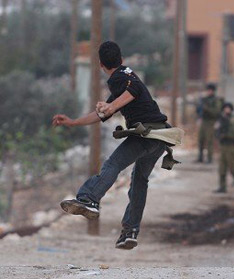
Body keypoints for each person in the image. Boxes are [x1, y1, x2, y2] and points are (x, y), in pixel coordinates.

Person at [53, 41, 170, 250]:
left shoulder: (120, 78)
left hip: (146, 135)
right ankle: (130, 232)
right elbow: (101, 115)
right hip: (161, 136)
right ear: (121, 58)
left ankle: (89, 199)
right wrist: (73, 121)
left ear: (100, 65)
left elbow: (133, 90)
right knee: (139, 181)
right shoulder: (126, 76)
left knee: (113, 164)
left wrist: (111, 106)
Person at [196, 83, 223, 164]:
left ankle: (209, 158)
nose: (209, 92)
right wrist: (199, 109)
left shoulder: (216, 100)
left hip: (211, 122)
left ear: (213, 91)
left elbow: (216, 112)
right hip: (203, 121)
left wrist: (206, 108)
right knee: (200, 139)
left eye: (210, 90)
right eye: (208, 90)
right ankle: (200, 157)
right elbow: (199, 110)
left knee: (209, 141)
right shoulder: (204, 99)